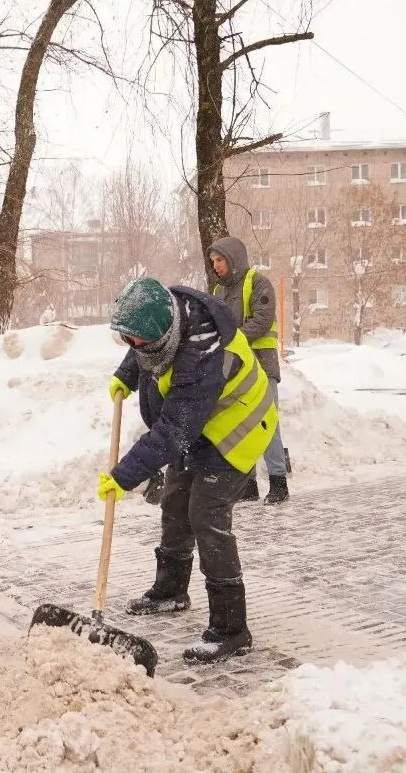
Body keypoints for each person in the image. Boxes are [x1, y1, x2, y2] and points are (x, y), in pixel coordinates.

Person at [99, 276, 277, 663]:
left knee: (205, 514)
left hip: (238, 427)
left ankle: (232, 629)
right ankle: (171, 591)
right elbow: (143, 345)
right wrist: (126, 376)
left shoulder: (202, 354)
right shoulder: (167, 314)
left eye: (136, 341)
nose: (133, 347)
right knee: (175, 500)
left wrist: (124, 475)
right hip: (201, 423)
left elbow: (173, 431)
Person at [209, 237, 289, 504]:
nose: (216, 266)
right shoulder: (218, 292)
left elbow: (263, 319)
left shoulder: (258, 282)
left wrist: (233, 340)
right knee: (241, 426)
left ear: (232, 258)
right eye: (213, 262)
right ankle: (248, 485)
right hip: (236, 369)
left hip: (262, 366)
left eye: (219, 260)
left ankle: (278, 483)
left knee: (267, 423)